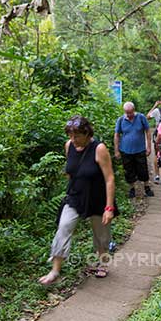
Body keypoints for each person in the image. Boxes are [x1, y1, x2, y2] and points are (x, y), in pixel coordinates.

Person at [39, 116, 117, 285]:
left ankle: (103, 263)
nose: (73, 140)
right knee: (64, 227)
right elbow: (71, 171)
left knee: (101, 235)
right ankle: (55, 270)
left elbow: (109, 178)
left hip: (98, 198)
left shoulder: (99, 149)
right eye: (70, 136)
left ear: (87, 134)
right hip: (75, 196)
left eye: (77, 136)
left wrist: (109, 207)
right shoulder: (69, 146)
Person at [114, 102, 154, 198]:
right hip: (125, 150)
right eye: (127, 113)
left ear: (134, 110)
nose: (129, 115)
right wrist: (116, 150)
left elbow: (148, 131)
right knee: (128, 170)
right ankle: (132, 189)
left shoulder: (141, 117)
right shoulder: (121, 120)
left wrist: (149, 146)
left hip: (140, 149)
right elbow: (116, 135)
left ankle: (147, 187)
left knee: (143, 169)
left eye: (130, 112)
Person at [147, 95, 161, 184]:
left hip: (159, 135)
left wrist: (155, 105)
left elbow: (148, 117)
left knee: (157, 155)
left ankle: (157, 176)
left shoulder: (157, 111)